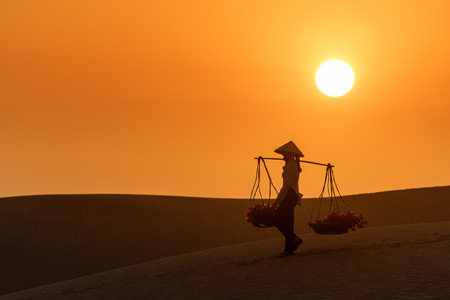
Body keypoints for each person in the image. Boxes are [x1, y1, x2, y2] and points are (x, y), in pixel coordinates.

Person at [271, 141, 304, 257]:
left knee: (276, 218)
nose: (283, 156)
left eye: (284, 154)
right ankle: (289, 248)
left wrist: (278, 200)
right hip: (290, 195)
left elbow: (286, 185)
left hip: (290, 195)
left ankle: (293, 238)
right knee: (288, 222)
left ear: (289, 154)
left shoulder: (291, 166)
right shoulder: (291, 165)